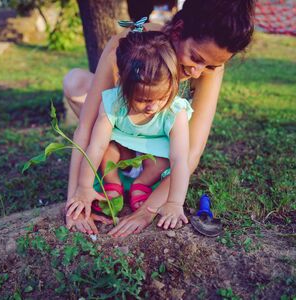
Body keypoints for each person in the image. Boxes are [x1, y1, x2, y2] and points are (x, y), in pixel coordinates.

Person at [63, 0, 255, 237]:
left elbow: (190, 153)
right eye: (195, 58)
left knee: (173, 150)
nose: (198, 71)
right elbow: (85, 128)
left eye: (211, 66)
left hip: (159, 150)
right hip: (122, 132)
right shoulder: (134, 45)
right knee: (76, 82)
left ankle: (141, 178)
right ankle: (113, 166)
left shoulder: (208, 65)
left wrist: (148, 210)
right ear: (177, 31)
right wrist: (76, 198)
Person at [65, 29, 193, 226]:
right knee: (106, 148)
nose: (153, 106)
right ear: (124, 87)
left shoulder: (176, 112)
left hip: (152, 164)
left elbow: (180, 160)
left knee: (163, 161)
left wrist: (175, 202)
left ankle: (141, 184)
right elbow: (96, 147)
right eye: (142, 100)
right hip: (122, 157)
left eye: (162, 97)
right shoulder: (113, 104)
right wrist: (83, 186)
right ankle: (112, 182)